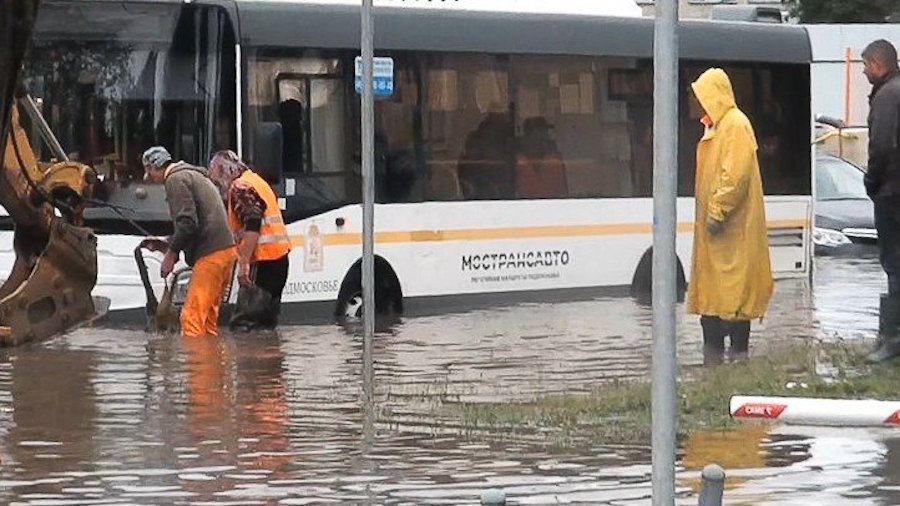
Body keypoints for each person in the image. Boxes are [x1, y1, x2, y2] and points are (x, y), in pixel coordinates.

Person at [687, 68, 774, 366]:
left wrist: (717, 212)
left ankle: (737, 359)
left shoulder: (735, 125)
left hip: (731, 231)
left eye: (700, 95)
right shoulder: (714, 127)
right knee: (713, 300)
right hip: (717, 236)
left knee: (735, 298)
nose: (696, 102)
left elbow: (734, 176)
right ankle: (714, 361)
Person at [141, 146, 236, 338]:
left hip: (211, 254)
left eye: (147, 171)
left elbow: (188, 224)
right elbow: (195, 222)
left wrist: (171, 254)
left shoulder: (175, 180)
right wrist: (168, 242)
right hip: (226, 251)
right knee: (207, 320)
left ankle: (196, 366)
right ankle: (212, 366)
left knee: (191, 319)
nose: (148, 177)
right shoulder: (194, 175)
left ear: (152, 167)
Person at [208, 150, 291, 330]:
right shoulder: (255, 180)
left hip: (263, 262)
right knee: (265, 325)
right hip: (278, 260)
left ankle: (252, 358)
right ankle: (270, 357)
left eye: (215, 180)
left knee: (244, 324)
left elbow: (253, 222)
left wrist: (243, 263)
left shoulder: (240, 187)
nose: (217, 187)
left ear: (223, 170)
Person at [860, 40, 900, 363]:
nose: (863, 72)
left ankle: (891, 339)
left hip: (891, 191)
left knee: (893, 262)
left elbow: (882, 146)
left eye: (865, 66)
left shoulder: (887, 96)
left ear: (878, 64)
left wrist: (870, 181)